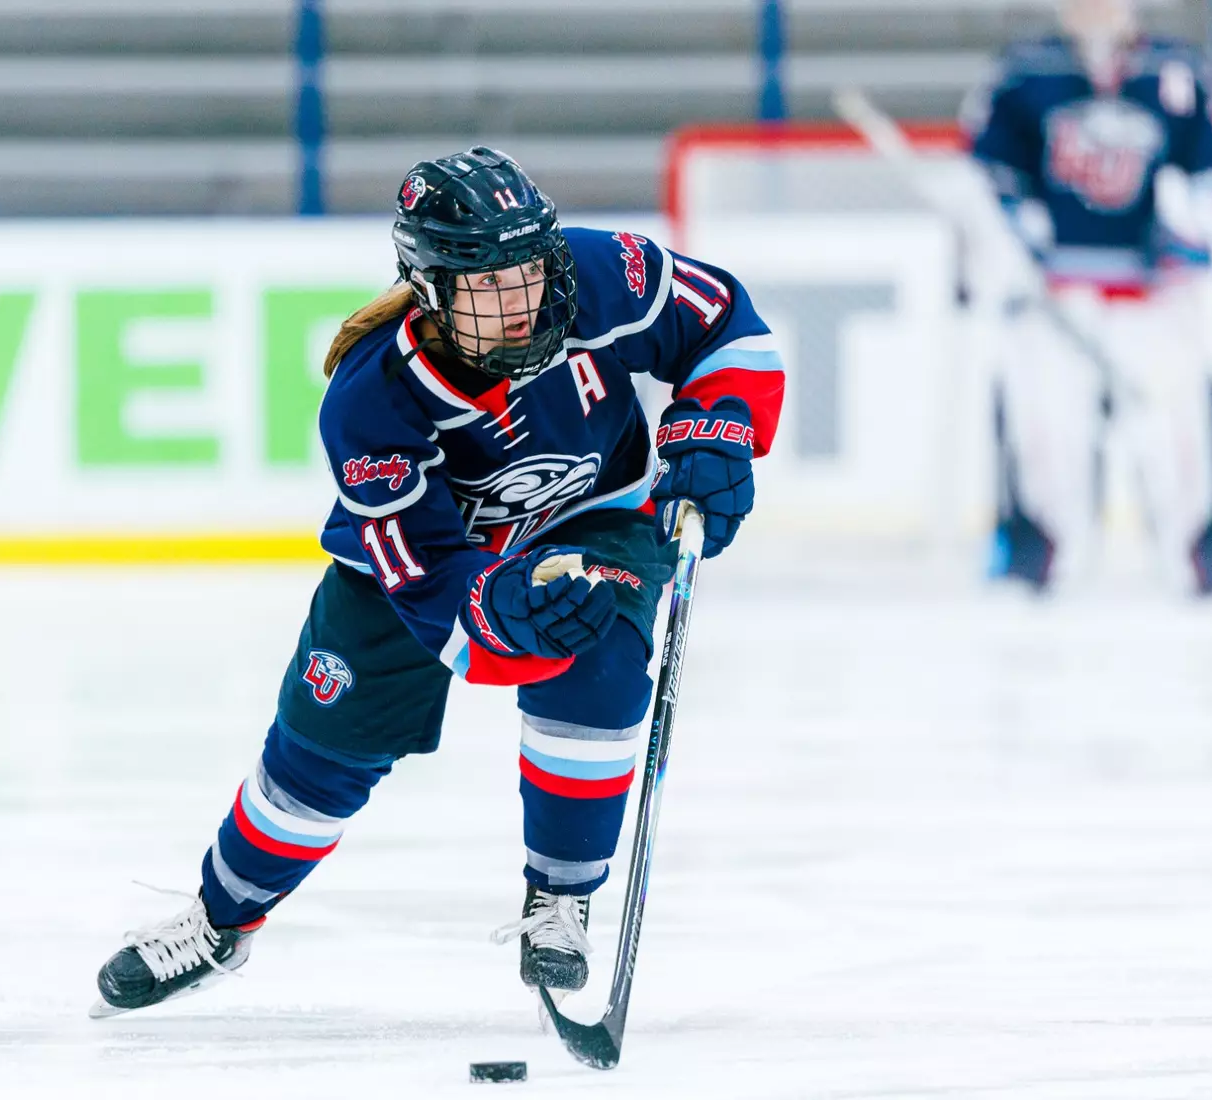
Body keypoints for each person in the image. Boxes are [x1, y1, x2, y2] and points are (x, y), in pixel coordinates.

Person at [89, 147, 785, 1017]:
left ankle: (559, 899)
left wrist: (717, 426)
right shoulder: (372, 401)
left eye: (528, 270)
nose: (522, 298)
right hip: (425, 568)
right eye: (489, 284)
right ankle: (222, 918)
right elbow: (431, 587)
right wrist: (499, 613)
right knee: (319, 758)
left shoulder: (607, 274)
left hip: (589, 513)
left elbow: (729, 328)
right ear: (431, 287)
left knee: (599, 656)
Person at [962, 0, 1212, 596]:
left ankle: (1205, 564)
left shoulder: (1181, 72)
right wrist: (1010, 238)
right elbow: (985, 180)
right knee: (1047, 442)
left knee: (1180, 446)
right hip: (1055, 300)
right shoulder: (1023, 75)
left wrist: (1192, 233)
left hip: (1154, 301)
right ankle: (1038, 570)